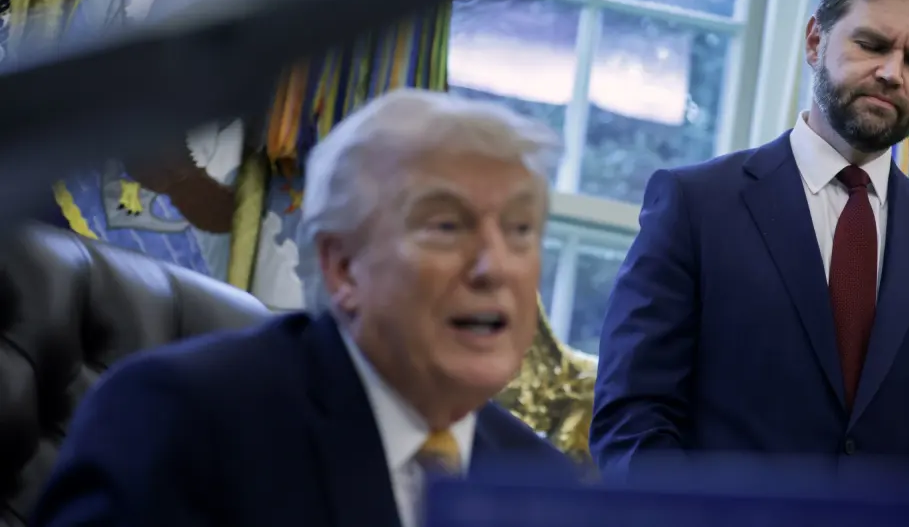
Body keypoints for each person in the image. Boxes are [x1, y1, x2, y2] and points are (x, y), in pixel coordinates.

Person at [32, 90, 576, 527]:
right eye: (447, 226)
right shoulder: (185, 420)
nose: (494, 267)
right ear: (343, 268)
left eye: (520, 230)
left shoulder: (547, 484)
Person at [590, 0, 909, 496]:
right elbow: (633, 419)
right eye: (872, 45)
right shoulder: (696, 206)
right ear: (815, 41)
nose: (892, 73)